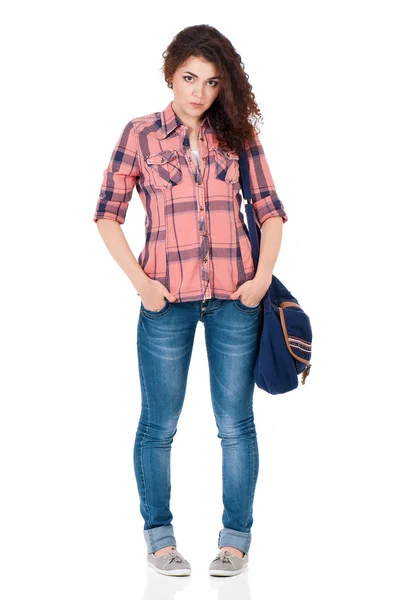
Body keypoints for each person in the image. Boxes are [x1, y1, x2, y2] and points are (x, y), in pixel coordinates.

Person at [93, 24, 288, 577]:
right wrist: (143, 285)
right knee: (159, 424)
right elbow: (107, 214)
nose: (199, 93)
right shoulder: (140, 135)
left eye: (211, 82)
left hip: (235, 300)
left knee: (235, 424)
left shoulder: (239, 136)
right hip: (165, 301)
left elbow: (271, 212)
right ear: (170, 73)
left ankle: (234, 542)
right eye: (188, 78)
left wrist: (259, 280)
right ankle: (159, 540)